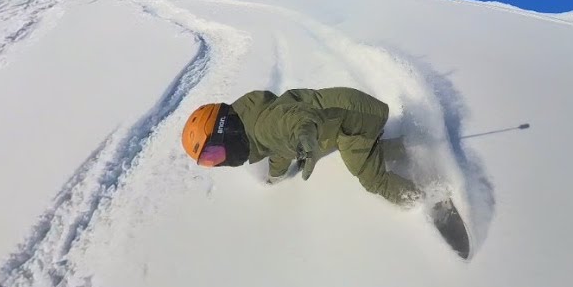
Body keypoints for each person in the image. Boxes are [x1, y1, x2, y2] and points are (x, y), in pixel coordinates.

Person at [181, 87, 422, 207]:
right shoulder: (252, 125)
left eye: (214, 154)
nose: (219, 161)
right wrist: (274, 177)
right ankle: (410, 148)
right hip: (347, 112)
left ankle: (423, 200)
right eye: (210, 161)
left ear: (227, 131)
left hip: (355, 121)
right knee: (363, 153)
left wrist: (306, 140)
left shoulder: (265, 125)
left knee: (371, 180)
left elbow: (297, 118)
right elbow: (278, 150)